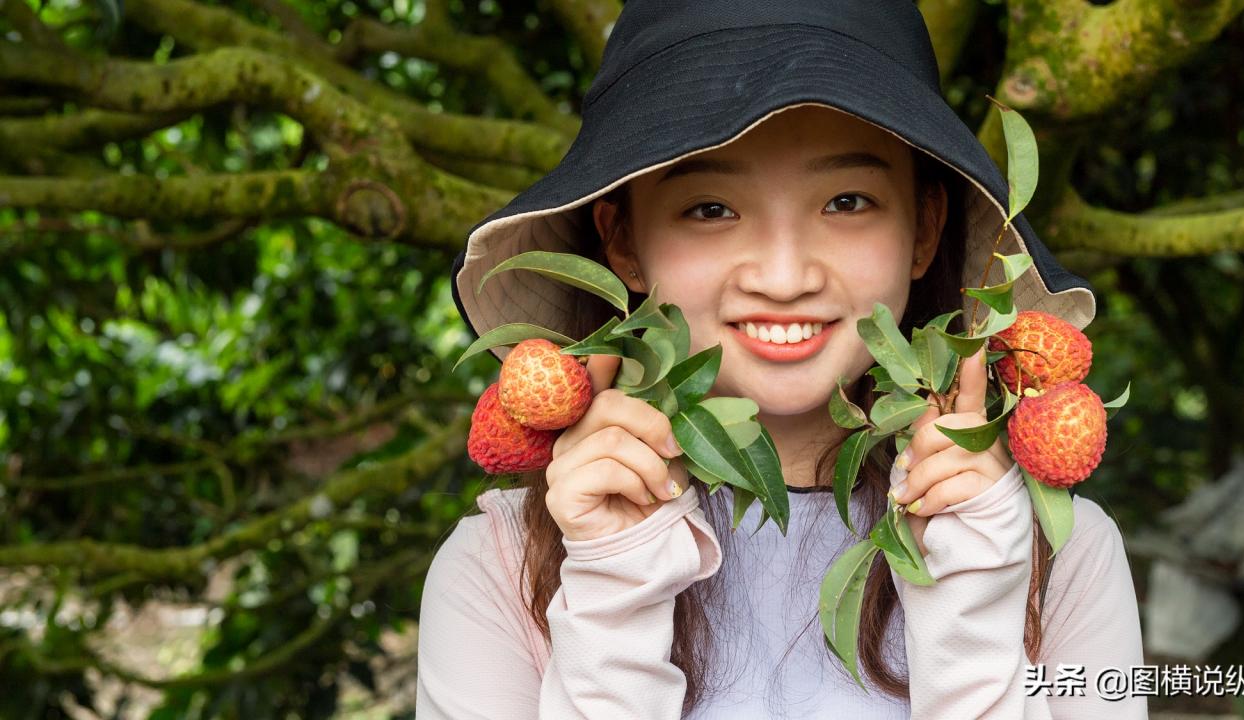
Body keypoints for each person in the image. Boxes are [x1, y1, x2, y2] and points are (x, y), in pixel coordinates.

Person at [420, 1, 1146, 718]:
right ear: (622, 243)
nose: (784, 273)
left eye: (848, 200)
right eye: (710, 209)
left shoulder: (1064, 557)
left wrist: (976, 597)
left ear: (924, 228)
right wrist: (614, 578)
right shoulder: (498, 569)